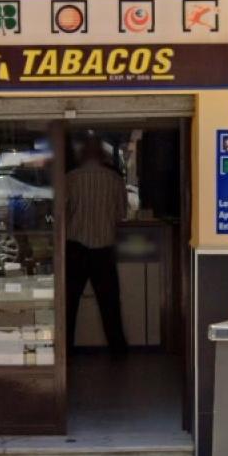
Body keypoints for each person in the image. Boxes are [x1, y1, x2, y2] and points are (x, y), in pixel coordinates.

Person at [65, 136, 129, 354]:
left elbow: (59, 215)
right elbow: (122, 214)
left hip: (75, 248)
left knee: (69, 304)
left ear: (82, 154)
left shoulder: (70, 179)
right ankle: (118, 351)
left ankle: (65, 352)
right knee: (110, 304)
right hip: (104, 248)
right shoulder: (114, 179)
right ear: (102, 154)